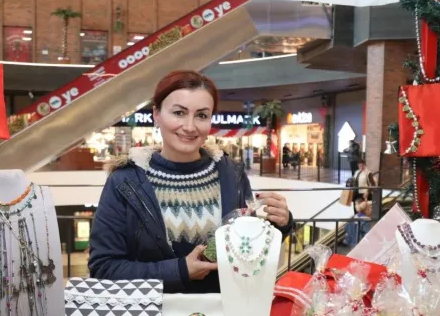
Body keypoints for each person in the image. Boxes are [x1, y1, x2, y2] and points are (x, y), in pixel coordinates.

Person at [88, 70, 295, 294]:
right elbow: (104, 268)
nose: (189, 126)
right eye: (179, 113)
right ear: (156, 114)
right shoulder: (126, 181)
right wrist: (179, 270)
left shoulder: (230, 174)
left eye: (202, 115)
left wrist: (279, 225)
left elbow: (248, 249)